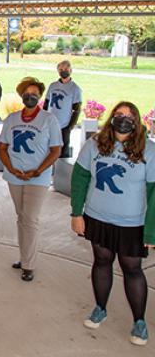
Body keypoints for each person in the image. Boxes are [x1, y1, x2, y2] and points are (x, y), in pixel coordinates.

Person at [71, 101, 154, 346]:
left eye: (129, 116)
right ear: (111, 118)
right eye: (119, 114)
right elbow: (80, 177)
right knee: (102, 261)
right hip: (98, 218)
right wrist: (77, 213)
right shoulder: (95, 144)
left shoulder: (148, 150)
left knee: (132, 269)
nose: (123, 119)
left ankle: (139, 322)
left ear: (137, 121)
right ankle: (100, 308)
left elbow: (153, 193)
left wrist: (151, 231)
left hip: (132, 223)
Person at [0, 77, 62, 282]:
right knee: (22, 216)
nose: (30, 96)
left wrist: (38, 170)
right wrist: (10, 168)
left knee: (30, 218)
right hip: (15, 175)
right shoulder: (12, 119)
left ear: (40, 96)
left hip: (38, 177)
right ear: (21, 95)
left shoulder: (48, 119)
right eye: (27, 93)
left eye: (34, 93)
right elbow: (2, 146)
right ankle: (24, 255)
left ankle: (29, 264)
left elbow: (55, 150)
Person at [43, 60, 82, 158]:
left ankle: (61, 171)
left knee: (63, 149)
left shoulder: (75, 88)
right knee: (48, 147)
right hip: (50, 121)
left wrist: (70, 125)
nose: (63, 71)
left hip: (64, 123)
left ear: (70, 70)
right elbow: (46, 103)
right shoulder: (52, 86)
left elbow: (77, 109)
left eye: (65, 69)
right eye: (60, 69)